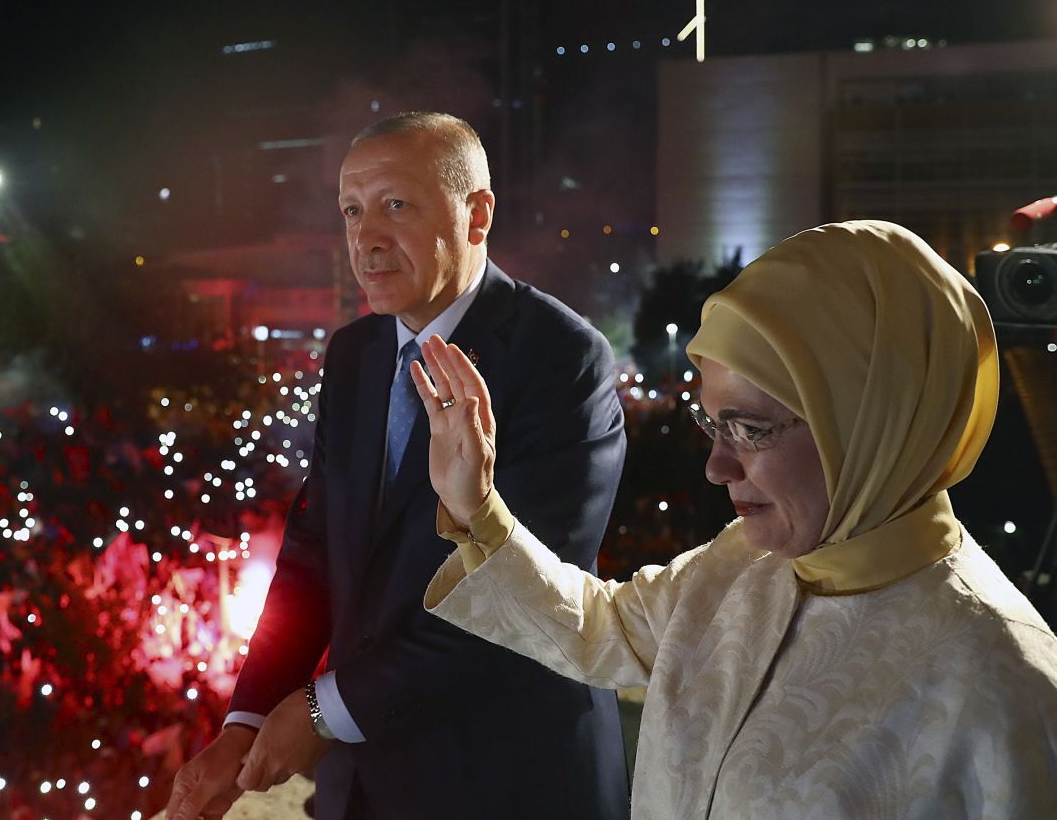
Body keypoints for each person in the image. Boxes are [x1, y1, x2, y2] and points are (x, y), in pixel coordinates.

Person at [416, 219, 1057, 819]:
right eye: (711, 423)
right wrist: (477, 506)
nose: (717, 466)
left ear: (873, 424)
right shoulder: (742, 565)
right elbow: (599, 629)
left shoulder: (1006, 686)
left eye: (750, 429)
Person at [166, 112, 630, 820]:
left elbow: (516, 597)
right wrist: (250, 718)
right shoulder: (353, 354)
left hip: (508, 773)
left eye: (395, 205)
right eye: (351, 210)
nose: (365, 238)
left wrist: (325, 708)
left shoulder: (560, 358)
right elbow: (314, 553)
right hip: (366, 780)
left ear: (477, 215)